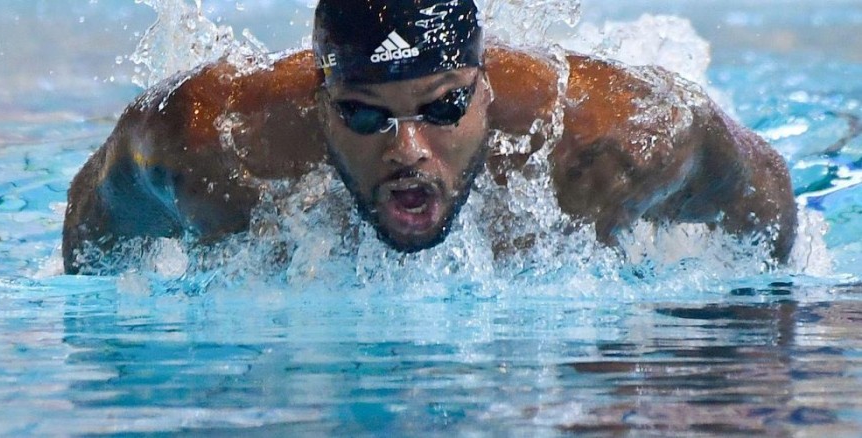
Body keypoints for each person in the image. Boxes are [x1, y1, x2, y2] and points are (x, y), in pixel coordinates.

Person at [62, 0, 797, 275]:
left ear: (485, 90)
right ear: (319, 103)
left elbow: (767, 200)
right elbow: (92, 237)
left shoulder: (611, 139)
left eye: (443, 108)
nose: (408, 148)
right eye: (364, 116)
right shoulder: (205, 142)